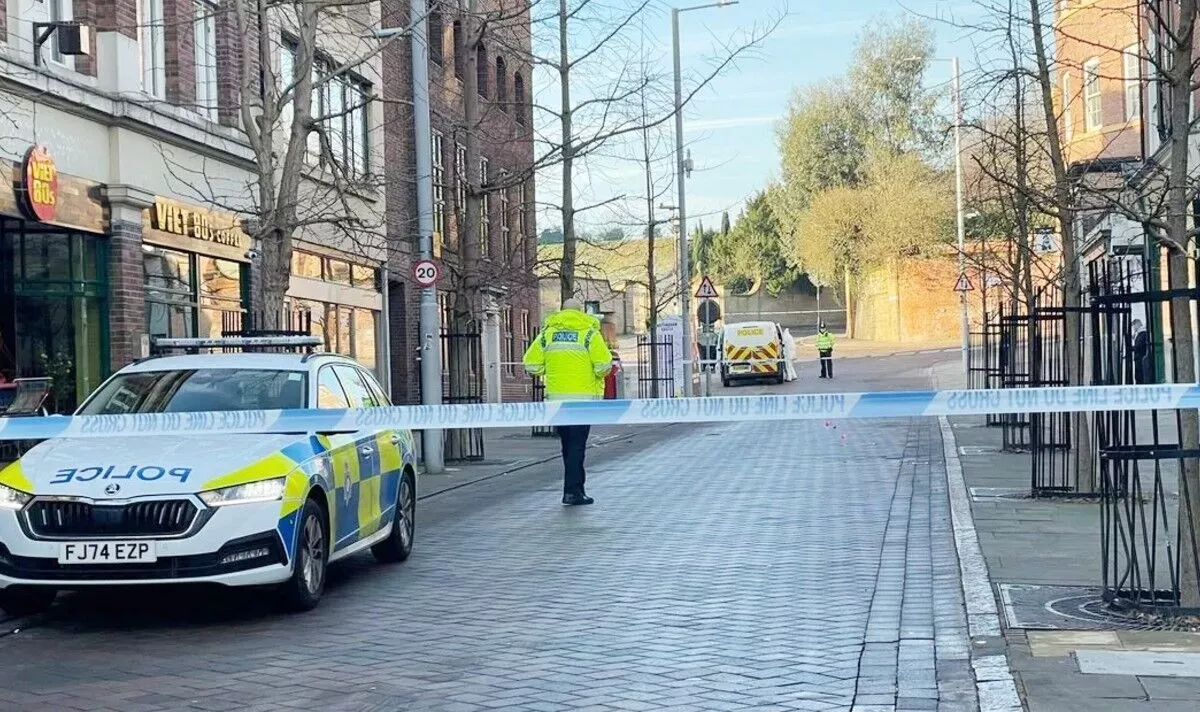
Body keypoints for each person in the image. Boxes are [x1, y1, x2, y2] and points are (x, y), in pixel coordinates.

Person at [523, 298, 613, 506]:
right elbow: (603, 364)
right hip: (583, 401)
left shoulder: (548, 333)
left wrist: (549, 370)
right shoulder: (588, 333)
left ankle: (575, 489)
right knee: (577, 447)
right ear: (580, 312)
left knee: (567, 446)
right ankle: (573, 491)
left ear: (561, 311)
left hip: (557, 402)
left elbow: (531, 363)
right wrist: (593, 375)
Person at [1131, 319, 1151, 384]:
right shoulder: (1140, 334)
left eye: (1133, 325)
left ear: (1137, 324)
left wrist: (1131, 348)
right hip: (1139, 358)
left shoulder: (1142, 334)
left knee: (1139, 376)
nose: (1133, 327)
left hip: (1140, 358)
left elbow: (1139, 346)